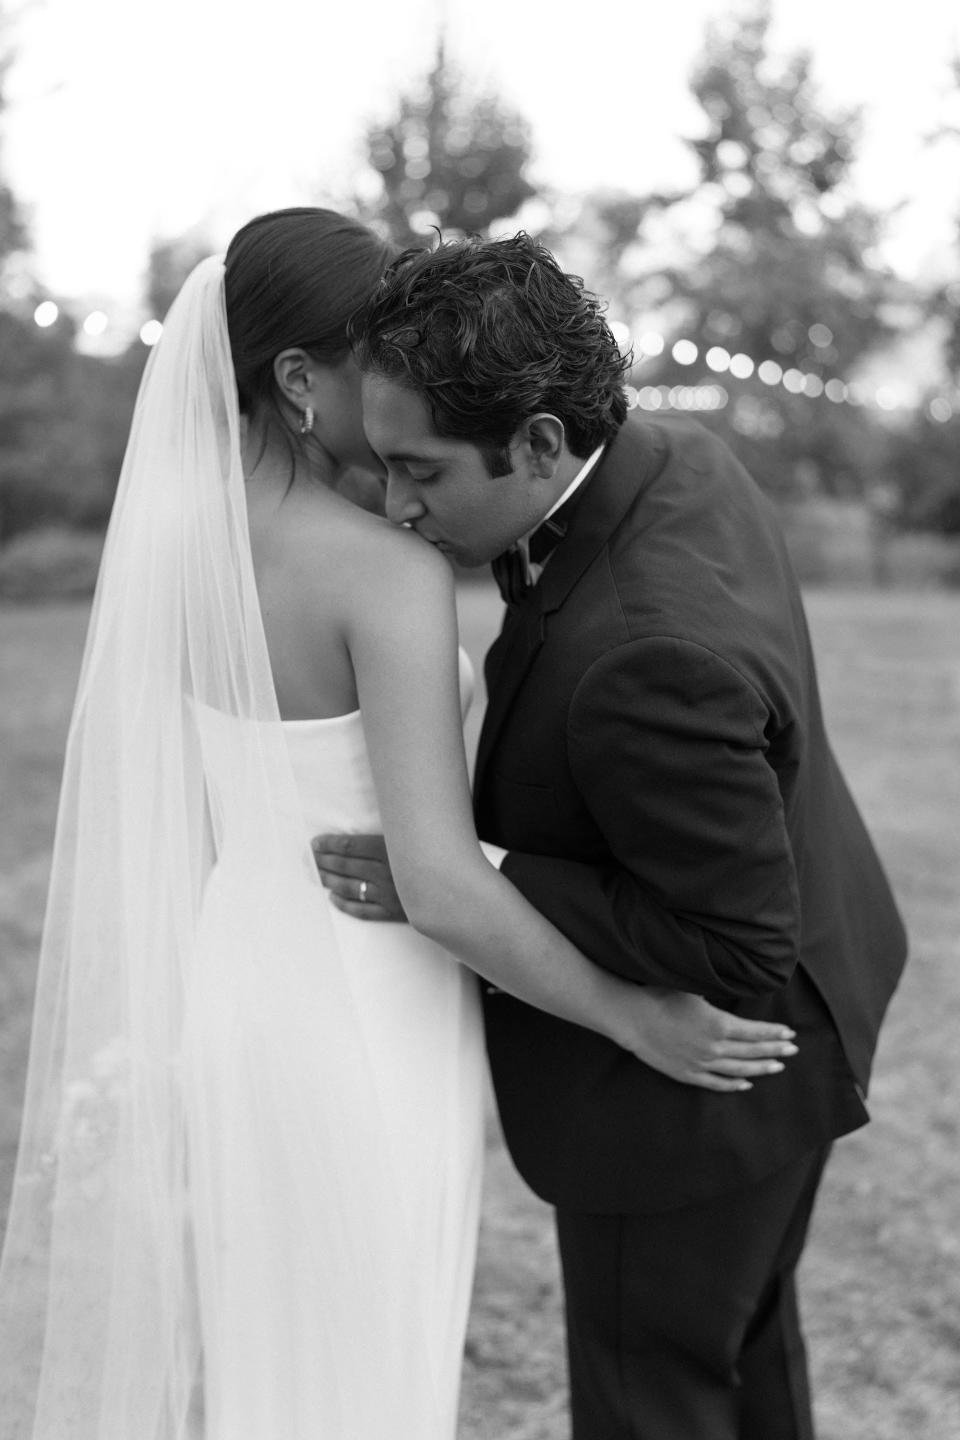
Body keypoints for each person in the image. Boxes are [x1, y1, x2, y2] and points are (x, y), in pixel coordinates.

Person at [0, 209, 795, 1440]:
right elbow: (434, 883)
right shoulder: (384, 572)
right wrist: (635, 1016)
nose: (403, 389)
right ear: (304, 380)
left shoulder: (164, 552)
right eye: (379, 357)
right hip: (365, 1001)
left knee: (268, 1353)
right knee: (369, 1369)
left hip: (239, 985)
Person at [313, 231, 909, 1440]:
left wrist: (470, 873)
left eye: (420, 469)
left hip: (703, 1084)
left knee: (655, 1401)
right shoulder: (670, 455)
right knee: (742, 1364)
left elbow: (732, 948)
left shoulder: (646, 657)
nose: (396, 503)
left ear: (539, 441)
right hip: (817, 1008)